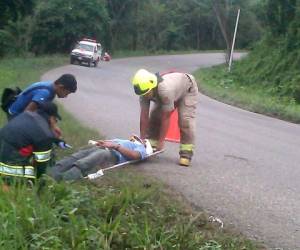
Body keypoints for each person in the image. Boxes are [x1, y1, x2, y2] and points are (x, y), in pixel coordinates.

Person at [132, 69, 199, 167]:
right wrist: (142, 140)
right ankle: (151, 145)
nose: (145, 95)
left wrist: (161, 141)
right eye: (143, 94)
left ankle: (186, 154)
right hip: (172, 91)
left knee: (185, 121)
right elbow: (144, 116)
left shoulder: (164, 90)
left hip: (187, 89)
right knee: (155, 116)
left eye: (147, 93)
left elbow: (166, 117)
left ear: (152, 86)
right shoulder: (143, 91)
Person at [0, 102, 66, 184]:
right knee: (39, 168)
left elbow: (32, 133)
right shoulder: (45, 135)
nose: (56, 123)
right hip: (7, 165)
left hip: (3, 147)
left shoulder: (26, 115)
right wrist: (38, 182)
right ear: (51, 118)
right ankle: (11, 182)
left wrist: (55, 138)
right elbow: (41, 167)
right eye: (56, 120)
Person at [50, 135, 153, 181]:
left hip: (113, 154)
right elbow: (109, 142)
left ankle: (66, 178)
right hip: (102, 148)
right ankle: (53, 172)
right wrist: (102, 142)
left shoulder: (141, 148)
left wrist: (116, 146)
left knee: (91, 159)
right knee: (77, 155)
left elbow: (135, 156)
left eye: (144, 140)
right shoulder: (125, 141)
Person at [7, 73, 77, 120]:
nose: (66, 96)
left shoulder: (51, 86)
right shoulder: (45, 93)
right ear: (61, 87)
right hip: (16, 114)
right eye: (66, 93)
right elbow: (27, 113)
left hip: (21, 112)